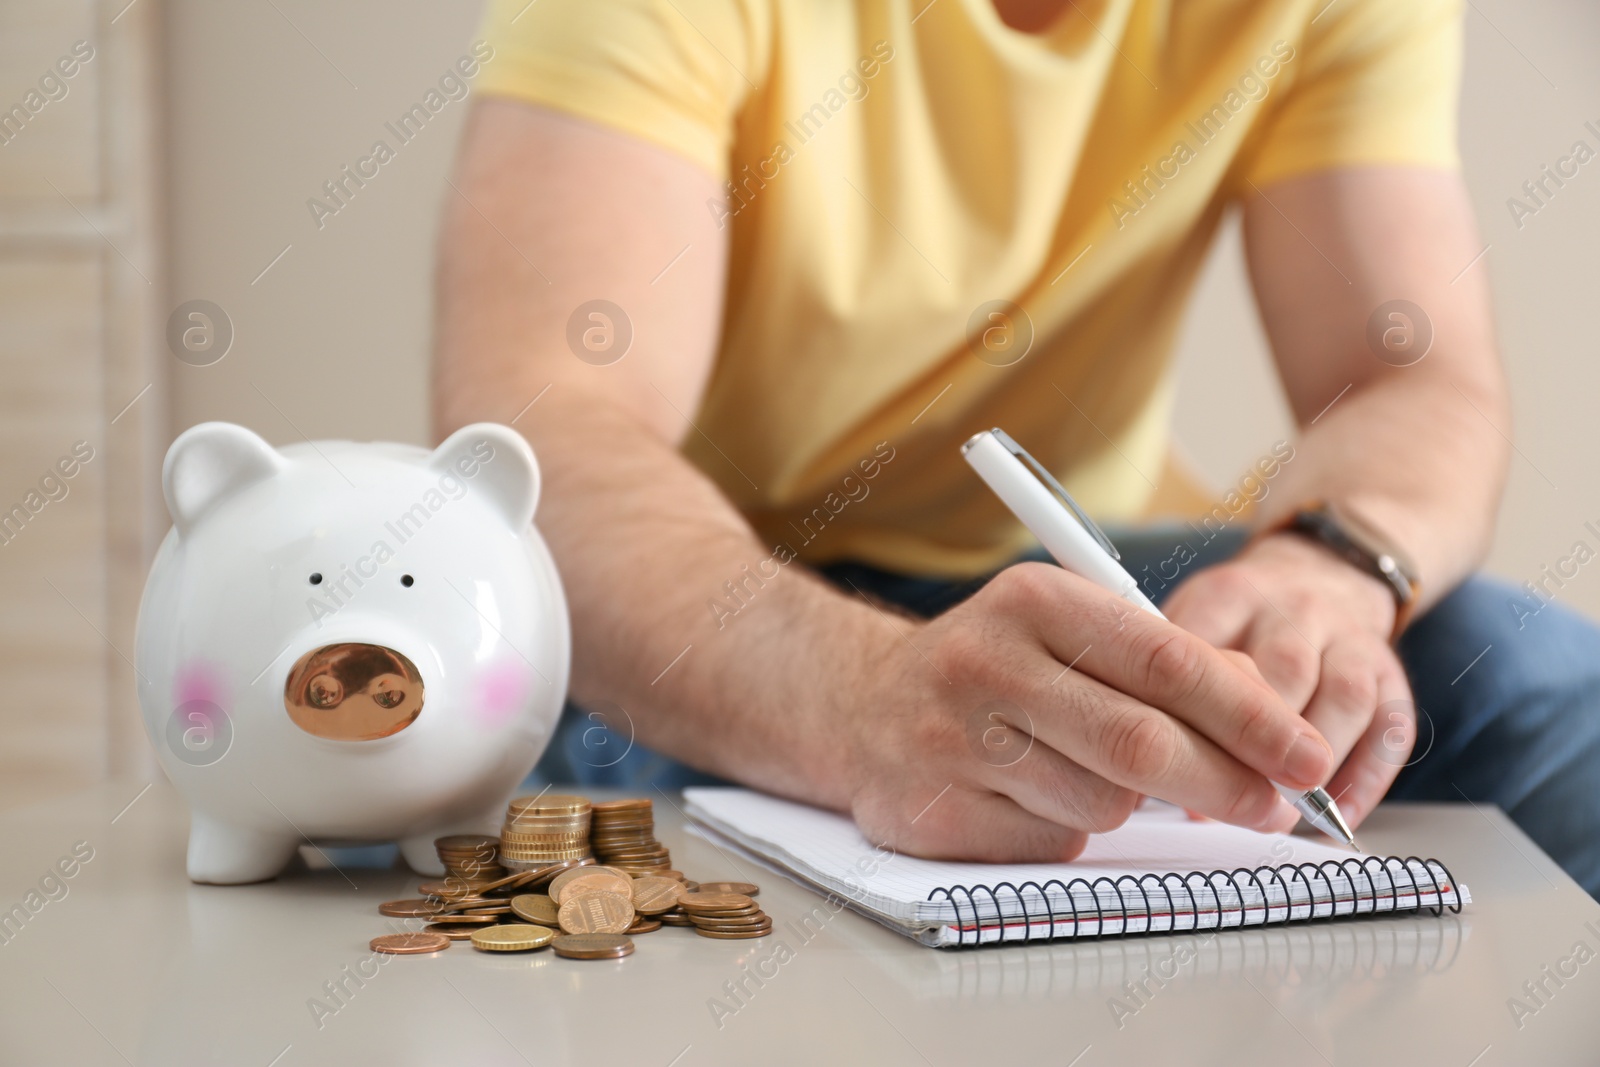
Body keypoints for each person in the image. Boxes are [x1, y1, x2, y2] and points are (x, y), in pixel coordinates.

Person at [432, 0, 1600, 896]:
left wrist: (1328, 569)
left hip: (1074, 579)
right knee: (489, 771)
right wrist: (857, 701)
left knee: (1529, 681)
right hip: (710, 614)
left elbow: (1406, 375)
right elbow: (548, 437)